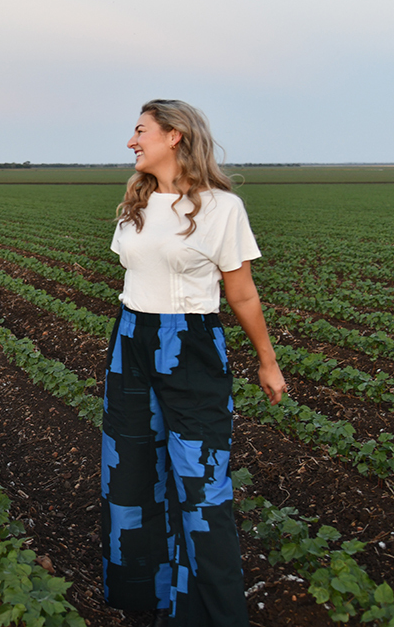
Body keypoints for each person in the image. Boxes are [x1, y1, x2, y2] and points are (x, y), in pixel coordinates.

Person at [101, 100, 287, 627]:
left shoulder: (220, 208)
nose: (132, 141)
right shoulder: (135, 202)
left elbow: (243, 295)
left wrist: (267, 362)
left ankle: (211, 613)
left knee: (201, 482)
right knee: (133, 473)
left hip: (189, 345)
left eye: (141, 131)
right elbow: (135, 278)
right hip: (131, 340)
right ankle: (156, 597)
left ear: (175, 135)